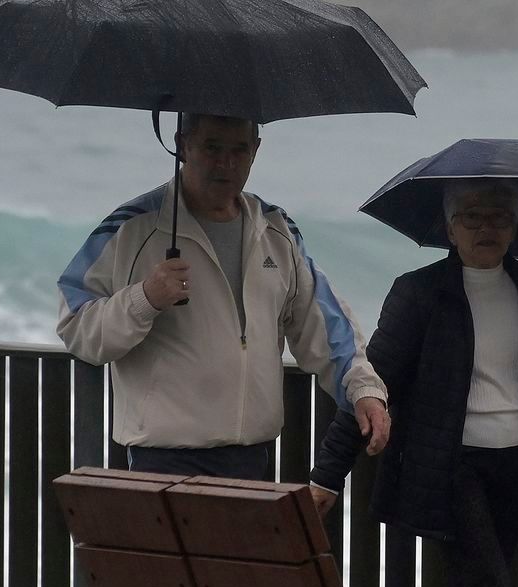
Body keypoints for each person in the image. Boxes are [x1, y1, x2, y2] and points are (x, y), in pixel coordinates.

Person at [309, 180, 518, 587]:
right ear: (451, 227)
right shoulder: (421, 291)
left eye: (500, 217)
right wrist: (329, 473)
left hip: (516, 467)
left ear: (516, 227)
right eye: (472, 217)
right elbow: (372, 381)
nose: (486, 227)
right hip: (451, 467)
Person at [56, 113, 392, 479]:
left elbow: (323, 324)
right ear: (183, 145)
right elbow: (76, 327)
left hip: (253, 457)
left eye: (239, 150)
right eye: (212, 147)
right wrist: (144, 298)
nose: (226, 163)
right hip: (163, 459)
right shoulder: (132, 228)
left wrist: (364, 391)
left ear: (256, 151)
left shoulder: (276, 229)